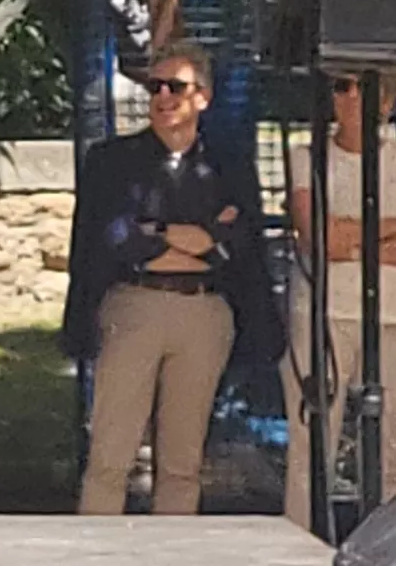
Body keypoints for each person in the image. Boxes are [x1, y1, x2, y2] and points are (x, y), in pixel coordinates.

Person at [66, 44, 279, 515]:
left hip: (204, 313)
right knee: (110, 456)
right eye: (155, 87)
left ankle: (173, 565)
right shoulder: (113, 160)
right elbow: (117, 237)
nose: (163, 96)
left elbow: (235, 241)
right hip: (134, 306)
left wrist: (163, 233)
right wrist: (192, 235)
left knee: (182, 462)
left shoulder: (227, 163)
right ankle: (91, 560)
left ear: (202, 96)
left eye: (176, 86)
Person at [282, 76, 396, 526]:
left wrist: (349, 232)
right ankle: (297, 550)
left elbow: (338, 236)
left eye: (360, 88)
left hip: (390, 315)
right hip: (321, 314)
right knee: (311, 441)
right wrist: (384, 235)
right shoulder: (307, 157)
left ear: (385, 101)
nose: (347, 98)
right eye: (339, 87)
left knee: (393, 444)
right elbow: (319, 238)